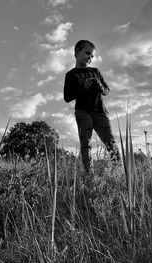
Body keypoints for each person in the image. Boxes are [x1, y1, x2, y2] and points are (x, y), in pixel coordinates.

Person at [63, 39, 121, 179]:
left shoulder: (95, 71)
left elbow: (107, 90)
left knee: (110, 142)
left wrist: (100, 87)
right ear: (76, 53)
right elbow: (67, 97)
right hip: (83, 112)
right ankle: (90, 176)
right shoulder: (71, 75)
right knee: (86, 144)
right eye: (87, 53)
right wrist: (84, 87)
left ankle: (119, 173)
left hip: (100, 112)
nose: (90, 57)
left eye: (92, 55)